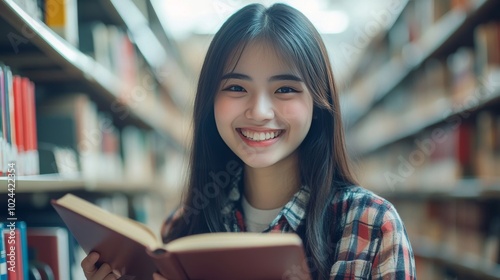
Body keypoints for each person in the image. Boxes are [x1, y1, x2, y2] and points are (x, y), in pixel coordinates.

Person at [81, 3, 416, 280]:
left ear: (318, 102)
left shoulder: (371, 225)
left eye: (285, 89)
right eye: (236, 88)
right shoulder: (182, 227)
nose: (259, 112)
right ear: (210, 102)